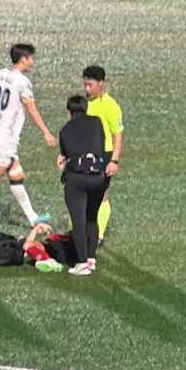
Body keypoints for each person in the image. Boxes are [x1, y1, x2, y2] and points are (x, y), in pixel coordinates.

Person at [0, 43, 56, 234]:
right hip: (6, 137)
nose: (32, 62)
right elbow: (31, 109)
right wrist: (46, 132)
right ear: (23, 59)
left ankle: (32, 217)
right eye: (30, 58)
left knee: (16, 176)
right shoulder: (22, 82)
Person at [57, 95, 107, 275]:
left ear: (69, 112)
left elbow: (67, 153)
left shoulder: (64, 130)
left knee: (78, 221)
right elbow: (101, 147)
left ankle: (82, 263)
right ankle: (91, 258)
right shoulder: (96, 122)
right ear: (86, 108)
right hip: (97, 176)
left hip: (76, 177)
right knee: (92, 217)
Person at [82, 64, 122, 242]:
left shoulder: (110, 105)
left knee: (101, 195)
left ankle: (97, 235)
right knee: (80, 194)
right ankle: (75, 232)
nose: (87, 89)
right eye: (85, 84)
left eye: (90, 85)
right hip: (83, 153)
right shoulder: (83, 103)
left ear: (101, 83)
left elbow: (117, 135)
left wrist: (114, 160)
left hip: (103, 154)